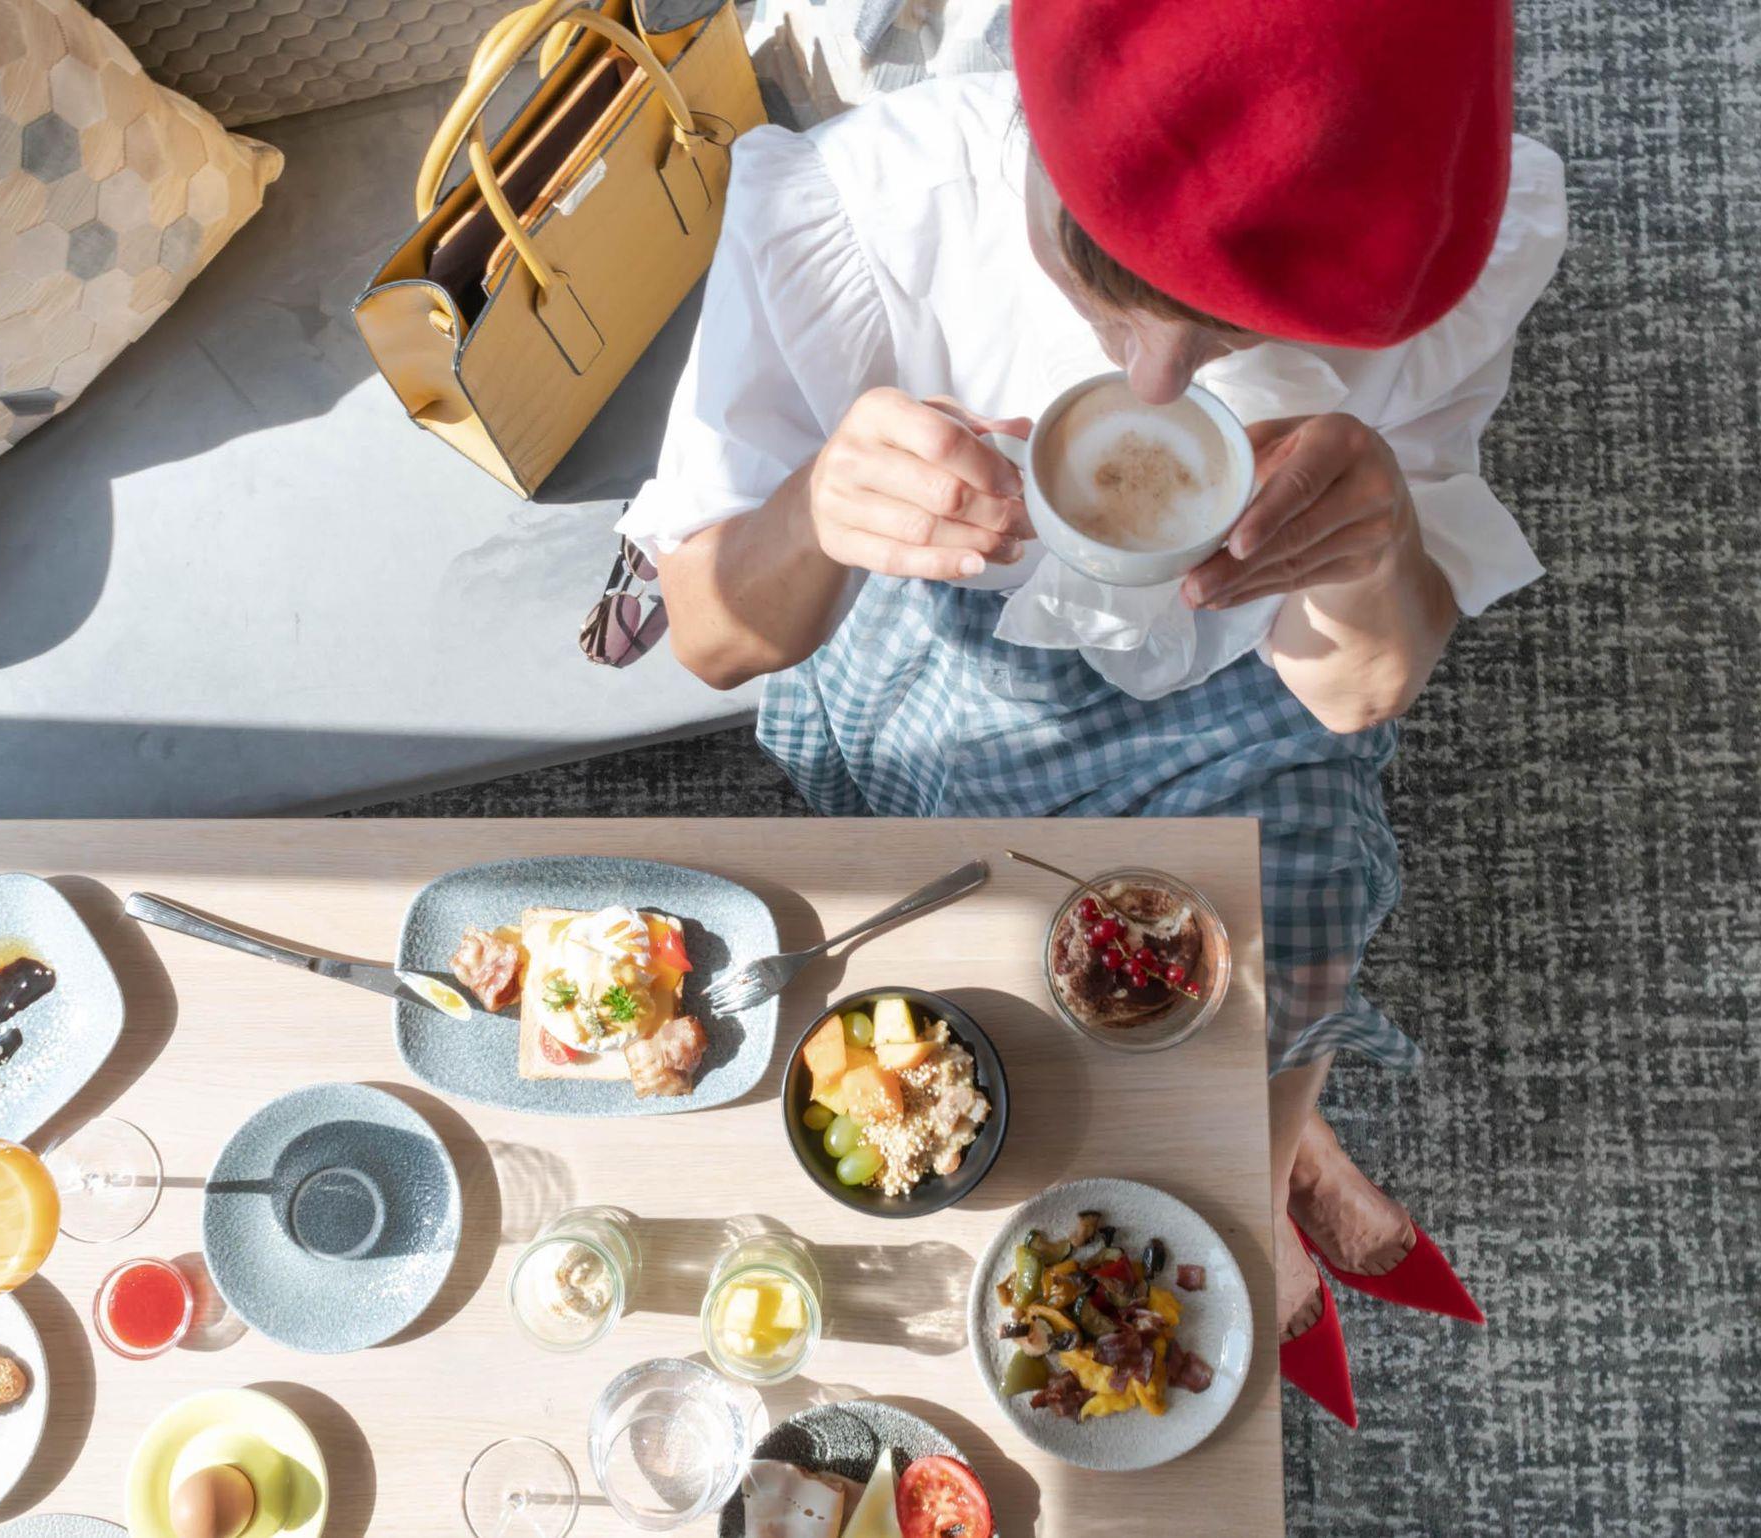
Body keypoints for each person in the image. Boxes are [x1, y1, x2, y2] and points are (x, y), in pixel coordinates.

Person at [622, 0, 1566, 1424]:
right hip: (937, 635)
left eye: (1231, 329)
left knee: (1294, 890)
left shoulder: (1439, 254)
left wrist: (1375, 552)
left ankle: (1265, 1157)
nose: (1153, 382)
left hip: (1243, 675)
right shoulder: (867, 211)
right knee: (1030, 957)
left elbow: (1362, 690)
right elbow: (708, 635)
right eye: (1104, 285)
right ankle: (1283, 1143)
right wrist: (816, 509)